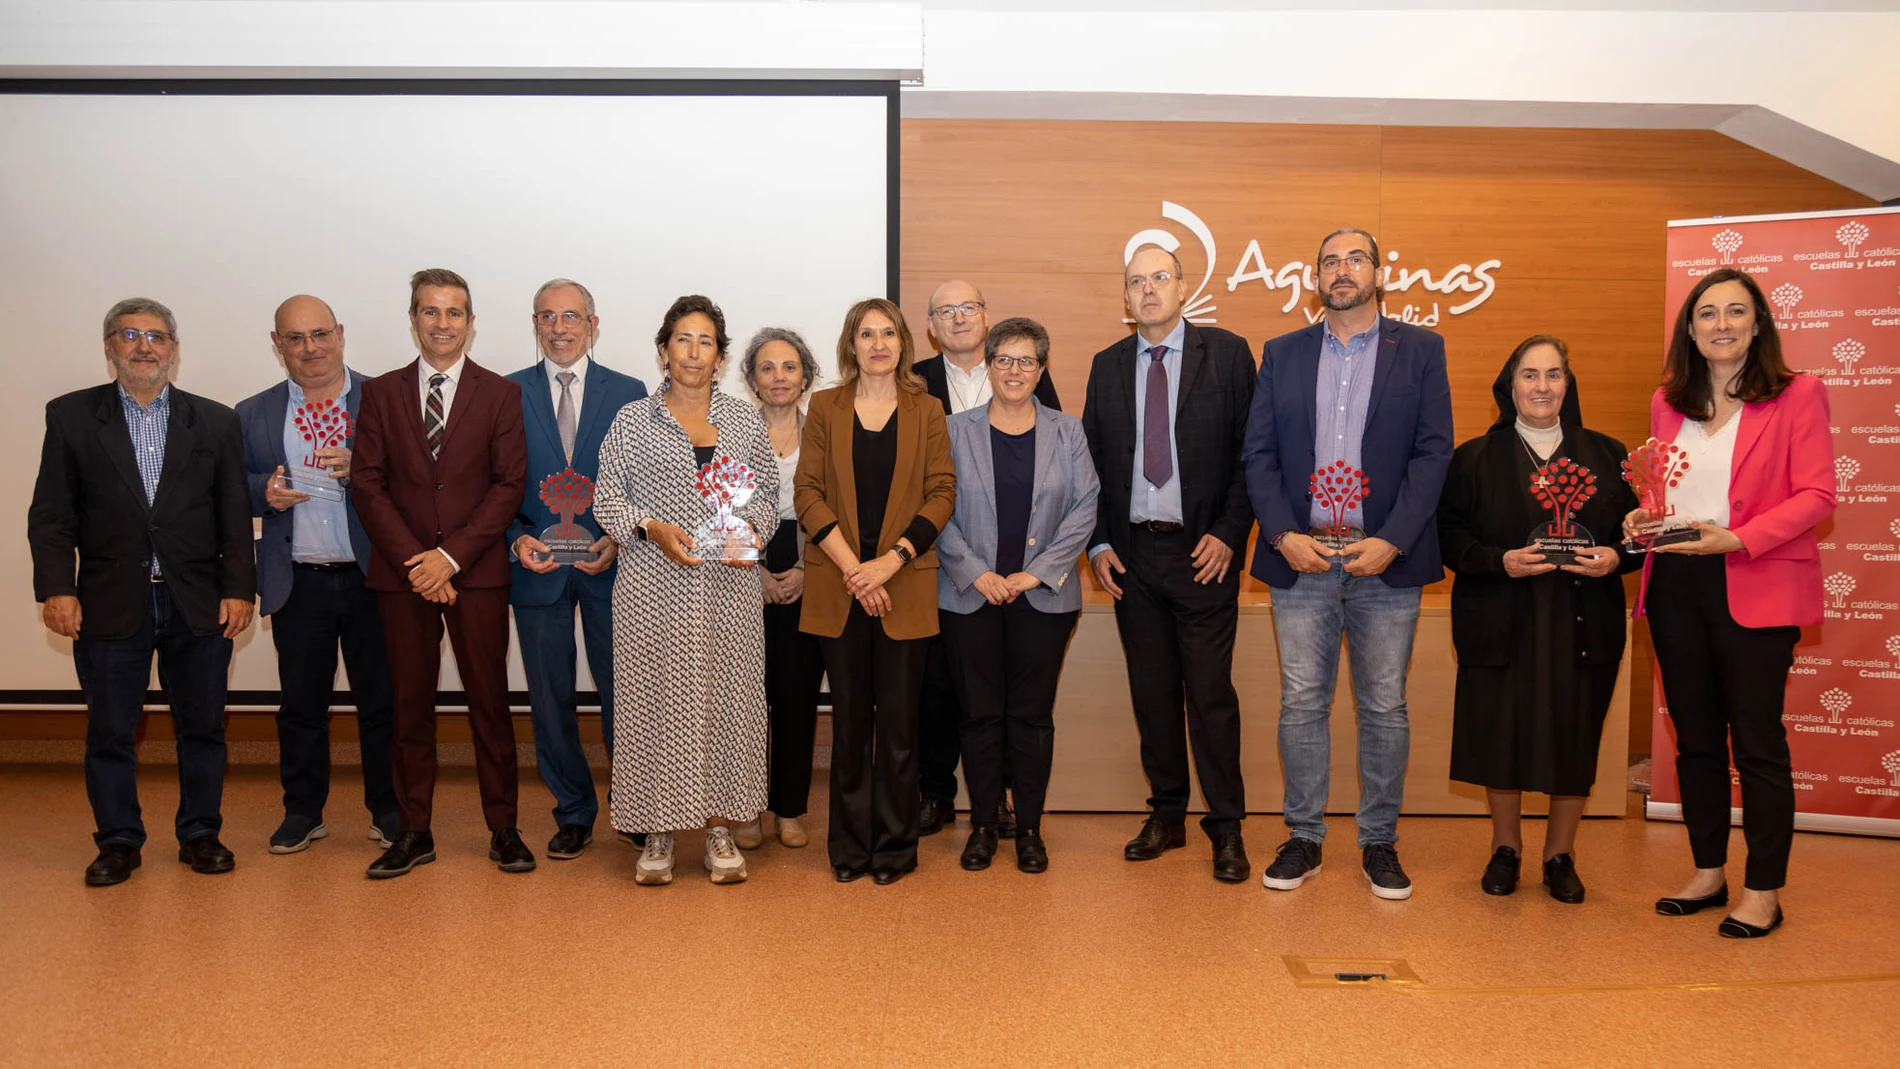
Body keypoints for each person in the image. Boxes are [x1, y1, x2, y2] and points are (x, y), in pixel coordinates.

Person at [1243, 227, 1453, 901]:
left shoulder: (1420, 350)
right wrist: (1280, 533)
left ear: (1378, 272)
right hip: (1303, 555)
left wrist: (1392, 537)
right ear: (1316, 278)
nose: (1342, 270)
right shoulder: (1282, 353)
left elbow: (1433, 453)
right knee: (1301, 702)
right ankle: (1304, 836)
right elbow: (1260, 454)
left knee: (1384, 705)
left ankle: (1379, 842)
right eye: (1330, 261)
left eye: (1354, 259)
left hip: (1383, 559)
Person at [1628, 268, 1834, 939]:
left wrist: (1738, 537)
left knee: (1757, 744)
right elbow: (1666, 489)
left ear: (1757, 323)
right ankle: (1709, 870)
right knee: (1694, 739)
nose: (1721, 324)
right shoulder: (1668, 401)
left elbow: (1817, 497)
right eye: (1707, 312)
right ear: (1690, 328)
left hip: (1757, 578)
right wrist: (1643, 519)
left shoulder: (1798, 395)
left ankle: (1764, 889)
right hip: (1678, 584)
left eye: (1735, 312)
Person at [29, 298, 256, 886]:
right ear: (109, 348)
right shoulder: (72, 417)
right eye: (130, 335)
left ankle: (201, 833)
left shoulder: (214, 421)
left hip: (198, 601)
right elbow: (51, 515)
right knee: (110, 729)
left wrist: (239, 588)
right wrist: (57, 587)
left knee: (203, 725)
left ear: (174, 351)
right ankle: (119, 841)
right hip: (108, 599)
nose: (144, 346)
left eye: (157, 337)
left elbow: (233, 513)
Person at [1438, 335, 1640, 902]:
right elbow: (1449, 538)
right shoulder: (1474, 457)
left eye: (1554, 375)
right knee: (1500, 733)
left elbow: (1637, 535)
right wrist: (1499, 560)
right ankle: (1506, 848)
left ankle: (1560, 855)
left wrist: (1615, 559)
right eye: (1530, 375)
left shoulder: (1607, 455)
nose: (1542, 387)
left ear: (1568, 386)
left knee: (1573, 735)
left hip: (1582, 619)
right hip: (1501, 616)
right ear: (1510, 385)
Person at [1083, 245, 1256, 883]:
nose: (1148, 289)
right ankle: (1167, 815)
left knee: (1210, 694)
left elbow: (1252, 454)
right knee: (1152, 693)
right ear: (1125, 299)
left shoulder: (1230, 354)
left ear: (1183, 288)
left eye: (1160, 277)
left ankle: (1228, 825)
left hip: (1202, 552)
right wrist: (1098, 544)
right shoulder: (1107, 366)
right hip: (1133, 554)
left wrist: (1230, 534)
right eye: (1136, 281)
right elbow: (1092, 466)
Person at [593, 295, 778, 886]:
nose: (693, 353)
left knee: (730, 703)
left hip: (730, 590)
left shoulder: (745, 422)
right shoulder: (632, 420)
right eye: (682, 340)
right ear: (663, 350)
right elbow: (607, 500)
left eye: (706, 342)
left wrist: (751, 531)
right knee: (654, 707)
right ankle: (658, 835)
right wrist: (651, 527)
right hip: (653, 588)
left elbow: (768, 500)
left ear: (720, 357)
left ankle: (721, 826)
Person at [352, 268, 530, 879]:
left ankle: (503, 827)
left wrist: (449, 558)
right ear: (413, 320)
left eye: (454, 313)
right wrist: (418, 563)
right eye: (430, 312)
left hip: (474, 574)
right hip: (402, 578)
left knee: (490, 702)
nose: (443, 323)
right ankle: (413, 831)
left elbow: (510, 485)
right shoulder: (378, 394)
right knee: (409, 705)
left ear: (471, 323)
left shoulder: (501, 395)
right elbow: (367, 484)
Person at [796, 298, 956, 885]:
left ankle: (894, 848)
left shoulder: (927, 410)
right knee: (849, 728)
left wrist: (888, 564)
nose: (878, 344)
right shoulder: (825, 406)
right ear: (851, 344)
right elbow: (807, 493)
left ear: (903, 343)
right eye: (867, 334)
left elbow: (942, 491)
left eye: (889, 333)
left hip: (902, 587)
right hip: (840, 588)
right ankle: (849, 848)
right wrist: (854, 569)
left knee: (898, 728)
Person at [236, 294, 400, 855]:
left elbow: (424, 483)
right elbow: (228, 489)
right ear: (277, 344)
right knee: (301, 705)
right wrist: (263, 492)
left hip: (371, 576)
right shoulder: (252, 412)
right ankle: (303, 811)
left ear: (340, 334)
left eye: (319, 334)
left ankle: (388, 809)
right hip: (297, 579)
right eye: (295, 338)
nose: (310, 349)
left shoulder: (386, 398)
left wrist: (366, 472)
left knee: (383, 701)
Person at [936, 318, 1098, 874]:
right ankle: (982, 826)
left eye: (1026, 361)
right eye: (1004, 359)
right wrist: (976, 571)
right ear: (987, 366)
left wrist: (1035, 573)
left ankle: (1029, 829)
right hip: (969, 596)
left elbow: (1085, 509)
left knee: (1031, 717)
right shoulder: (953, 430)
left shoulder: (1067, 431)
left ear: (1041, 370)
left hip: (1043, 600)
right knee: (979, 715)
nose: (1014, 370)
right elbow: (934, 508)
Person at [913, 280, 1063, 838]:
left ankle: (1002, 802)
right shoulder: (915, 384)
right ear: (931, 326)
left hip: (1023, 576)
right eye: (945, 311)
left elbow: (1064, 478)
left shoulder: (1027, 381)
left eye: (968, 308)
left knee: (1011, 700)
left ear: (985, 317)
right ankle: (937, 793)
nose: (957, 319)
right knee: (940, 688)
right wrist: (970, 567)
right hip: (947, 568)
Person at [506, 279, 648, 861]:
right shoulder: (505, 393)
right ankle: (572, 812)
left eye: (571, 316)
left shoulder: (631, 392)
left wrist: (618, 533)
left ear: (594, 324)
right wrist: (516, 540)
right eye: (547, 317)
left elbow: (647, 480)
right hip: (537, 573)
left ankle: (637, 806)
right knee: (550, 697)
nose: (559, 328)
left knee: (627, 693)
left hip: (613, 569)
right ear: (535, 324)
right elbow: (493, 484)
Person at [736, 326, 826, 850]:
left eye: (789, 367)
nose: (778, 377)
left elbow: (840, 505)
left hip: (812, 561)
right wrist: (755, 569)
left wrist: (809, 568)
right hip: (742, 567)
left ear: (806, 377)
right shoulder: (731, 434)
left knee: (796, 696)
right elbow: (716, 512)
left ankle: (789, 807)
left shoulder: (825, 430)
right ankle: (745, 808)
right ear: (751, 379)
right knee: (745, 698)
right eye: (767, 368)